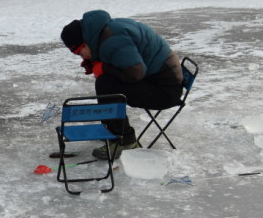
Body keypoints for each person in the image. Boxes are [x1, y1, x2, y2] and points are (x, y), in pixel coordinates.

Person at [60, 10, 184, 158]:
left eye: (80, 52)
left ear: (85, 41)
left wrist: (104, 67)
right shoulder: (104, 29)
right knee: (106, 82)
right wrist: (97, 63)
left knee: (107, 85)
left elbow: (135, 73)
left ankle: (124, 140)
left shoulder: (111, 40)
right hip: (160, 80)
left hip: (165, 92)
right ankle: (112, 129)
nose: (82, 56)